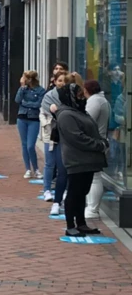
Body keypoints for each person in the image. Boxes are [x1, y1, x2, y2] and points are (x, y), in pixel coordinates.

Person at [52, 83, 108, 237]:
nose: (82, 97)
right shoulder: (66, 114)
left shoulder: (79, 111)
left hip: (88, 159)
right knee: (74, 192)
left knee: (82, 192)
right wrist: (99, 145)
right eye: (78, 94)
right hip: (77, 160)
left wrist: (100, 143)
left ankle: (81, 223)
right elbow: (77, 138)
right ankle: (71, 225)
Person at [40, 70, 67, 213]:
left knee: (63, 168)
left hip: (68, 137)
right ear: (55, 81)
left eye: (65, 80)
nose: (63, 83)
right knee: (50, 163)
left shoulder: (72, 96)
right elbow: (44, 113)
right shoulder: (48, 97)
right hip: (51, 134)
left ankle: (61, 194)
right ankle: (47, 190)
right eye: (60, 80)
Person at [84, 80, 111, 219]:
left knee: (95, 176)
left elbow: (87, 120)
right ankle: (91, 206)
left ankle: (93, 208)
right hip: (98, 141)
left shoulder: (95, 101)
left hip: (95, 142)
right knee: (92, 175)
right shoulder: (100, 100)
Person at [15, 70, 45, 179]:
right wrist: (22, 87)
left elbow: (38, 104)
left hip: (34, 119)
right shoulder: (23, 89)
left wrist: (26, 103)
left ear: (31, 79)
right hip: (22, 118)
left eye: (25, 78)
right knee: (24, 144)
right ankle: (28, 169)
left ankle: (36, 169)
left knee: (30, 145)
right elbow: (17, 100)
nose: (24, 79)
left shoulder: (41, 90)